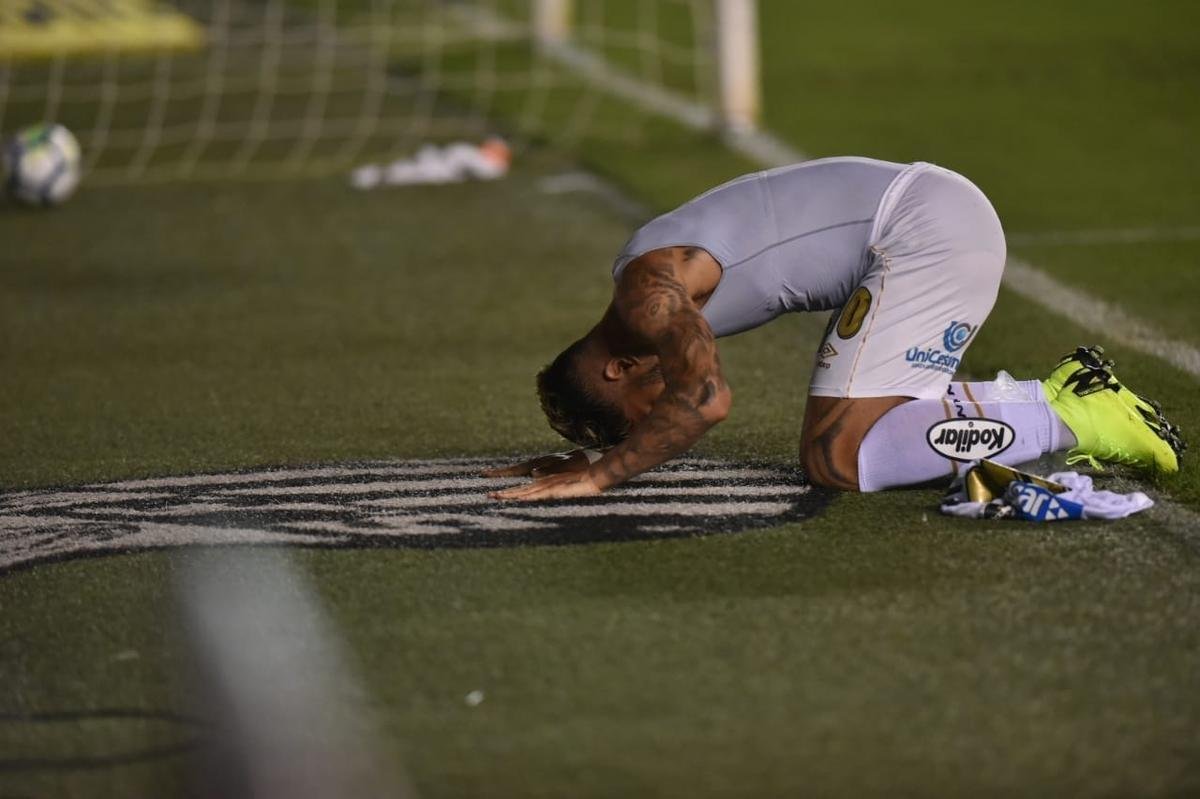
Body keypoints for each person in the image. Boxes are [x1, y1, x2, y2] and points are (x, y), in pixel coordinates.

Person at [488, 157, 1184, 501]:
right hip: (924, 222)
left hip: (923, 232)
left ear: (616, 369)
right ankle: (1059, 399)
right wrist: (590, 456)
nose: (654, 421)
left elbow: (706, 400)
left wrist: (602, 476)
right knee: (880, 428)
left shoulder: (648, 298)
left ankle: (1075, 414)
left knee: (838, 458)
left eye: (639, 414)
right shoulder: (640, 294)